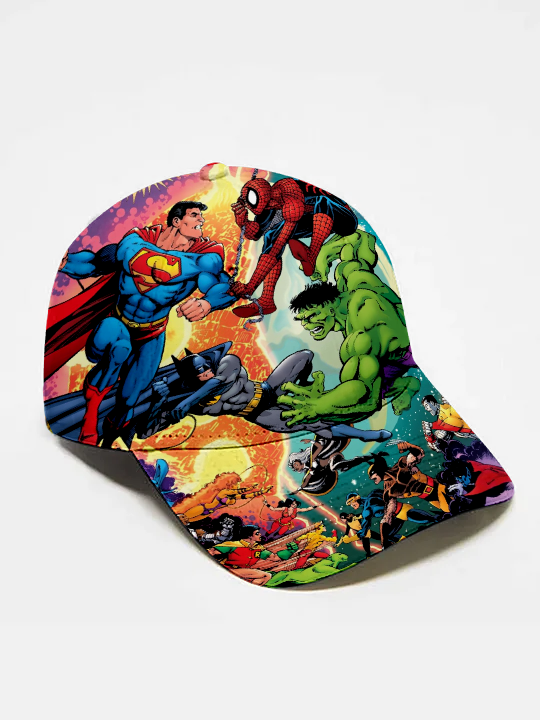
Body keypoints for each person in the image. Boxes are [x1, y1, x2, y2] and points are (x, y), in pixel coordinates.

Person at [46, 201, 235, 446]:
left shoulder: (204, 258)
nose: (201, 220)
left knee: (129, 398)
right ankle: (89, 419)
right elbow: (96, 263)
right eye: (195, 215)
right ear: (176, 221)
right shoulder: (136, 241)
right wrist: (65, 263)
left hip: (151, 335)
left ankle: (111, 440)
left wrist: (208, 303)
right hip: (117, 324)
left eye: (201, 216)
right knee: (118, 347)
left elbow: (225, 287)